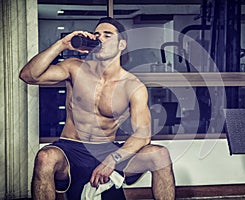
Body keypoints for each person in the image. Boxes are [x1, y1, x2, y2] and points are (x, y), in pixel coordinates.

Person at [19, 17, 175, 200]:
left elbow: (143, 134)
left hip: (107, 149)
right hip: (71, 148)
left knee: (160, 155)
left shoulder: (132, 86)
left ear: (121, 45)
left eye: (107, 35)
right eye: (96, 34)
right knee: (45, 157)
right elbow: (29, 75)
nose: (100, 38)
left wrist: (113, 159)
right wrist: (62, 44)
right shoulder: (74, 68)